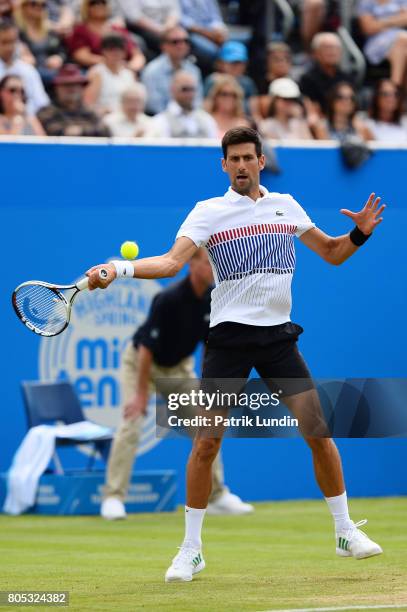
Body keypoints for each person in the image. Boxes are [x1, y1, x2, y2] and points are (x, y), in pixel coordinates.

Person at [86, 126, 385, 582]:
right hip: (226, 340)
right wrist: (119, 268)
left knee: (319, 433)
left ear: (261, 161)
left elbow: (331, 252)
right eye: (234, 159)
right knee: (206, 443)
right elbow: (169, 262)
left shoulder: (287, 206)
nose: (242, 165)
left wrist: (359, 234)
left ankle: (345, 531)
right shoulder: (208, 212)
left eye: (249, 157)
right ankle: (191, 550)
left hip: (279, 340)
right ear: (223, 166)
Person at [101, 249, 254, 520]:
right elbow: (146, 348)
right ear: (191, 265)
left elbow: (210, 345)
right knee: (131, 423)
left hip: (179, 370)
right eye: (206, 263)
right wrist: (139, 395)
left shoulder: (214, 298)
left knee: (206, 426)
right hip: (140, 365)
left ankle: (217, 496)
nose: (211, 269)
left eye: (213, 264)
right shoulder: (167, 299)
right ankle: (113, 497)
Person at [67, 0, 145, 73]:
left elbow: (137, 54)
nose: (99, 5)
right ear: (86, 7)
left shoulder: (118, 29)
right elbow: (82, 56)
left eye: (103, 2)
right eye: (94, 3)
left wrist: (130, 67)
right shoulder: (81, 30)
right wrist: (112, 63)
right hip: (96, 72)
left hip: (124, 71)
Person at [141, 24, 203, 116]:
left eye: (185, 41)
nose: (181, 45)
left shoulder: (194, 70)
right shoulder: (152, 71)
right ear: (163, 46)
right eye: (175, 42)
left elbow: (198, 101)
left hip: (190, 119)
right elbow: (153, 106)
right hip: (161, 123)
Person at [37, 63, 110, 136]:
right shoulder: (47, 112)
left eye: (76, 85)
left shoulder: (89, 111)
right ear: (56, 88)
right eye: (66, 85)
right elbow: (56, 132)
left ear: (82, 88)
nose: (72, 89)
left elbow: (104, 130)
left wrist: (79, 131)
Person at [147, 71, 217, 138]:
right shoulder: (160, 121)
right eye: (185, 89)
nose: (189, 93)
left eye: (192, 89)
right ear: (172, 89)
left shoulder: (206, 119)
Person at [0, 19, 49, 114]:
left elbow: (42, 104)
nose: (9, 47)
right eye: (4, 42)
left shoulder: (28, 70)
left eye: (13, 42)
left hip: (29, 122)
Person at [299, 32, 354, 115]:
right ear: (315, 53)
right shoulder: (307, 79)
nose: (332, 52)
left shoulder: (347, 78)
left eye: (336, 48)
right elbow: (311, 108)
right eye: (327, 48)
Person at [15, 0, 67, 85]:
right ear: (23, 6)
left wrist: (59, 58)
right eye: (33, 3)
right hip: (30, 73)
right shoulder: (17, 32)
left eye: (43, 5)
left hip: (52, 72)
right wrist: (21, 59)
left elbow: (63, 51)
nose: (39, 7)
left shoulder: (50, 31)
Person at [358, 0, 407, 89]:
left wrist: (381, 23)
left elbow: (406, 19)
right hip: (376, 43)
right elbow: (368, 28)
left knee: (403, 46)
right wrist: (396, 20)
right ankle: (396, 88)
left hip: (400, 43)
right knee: (403, 40)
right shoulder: (366, 2)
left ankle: (395, 88)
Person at [83, 32, 136, 115]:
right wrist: (103, 111)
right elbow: (88, 104)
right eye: (111, 49)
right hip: (106, 117)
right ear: (103, 51)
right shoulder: (97, 73)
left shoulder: (129, 74)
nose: (115, 53)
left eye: (119, 49)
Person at [203, 41, 258, 117]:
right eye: (233, 63)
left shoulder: (248, 82)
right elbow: (206, 109)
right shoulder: (212, 80)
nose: (237, 66)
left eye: (240, 62)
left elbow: (255, 114)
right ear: (221, 63)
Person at [115, 0, 180, 60]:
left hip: (168, 26)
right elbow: (134, 16)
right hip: (141, 27)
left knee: (182, 39)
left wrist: (168, 27)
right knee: (166, 42)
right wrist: (161, 30)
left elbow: (174, 10)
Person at [180, 0, 228, 75]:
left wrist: (219, 31)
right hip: (191, 32)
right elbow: (182, 20)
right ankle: (217, 76)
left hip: (211, 31)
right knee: (211, 51)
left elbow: (216, 18)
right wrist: (206, 33)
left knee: (233, 46)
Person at [204, 74, 251, 138]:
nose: (229, 98)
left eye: (233, 95)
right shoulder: (206, 120)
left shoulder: (243, 125)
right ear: (215, 96)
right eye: (224, 94)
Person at [365, 78, 407, 143]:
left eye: (395, 94)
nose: (391, 99)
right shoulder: (366, 125)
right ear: (376, 98)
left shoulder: (405, 122)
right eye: (386, 94)